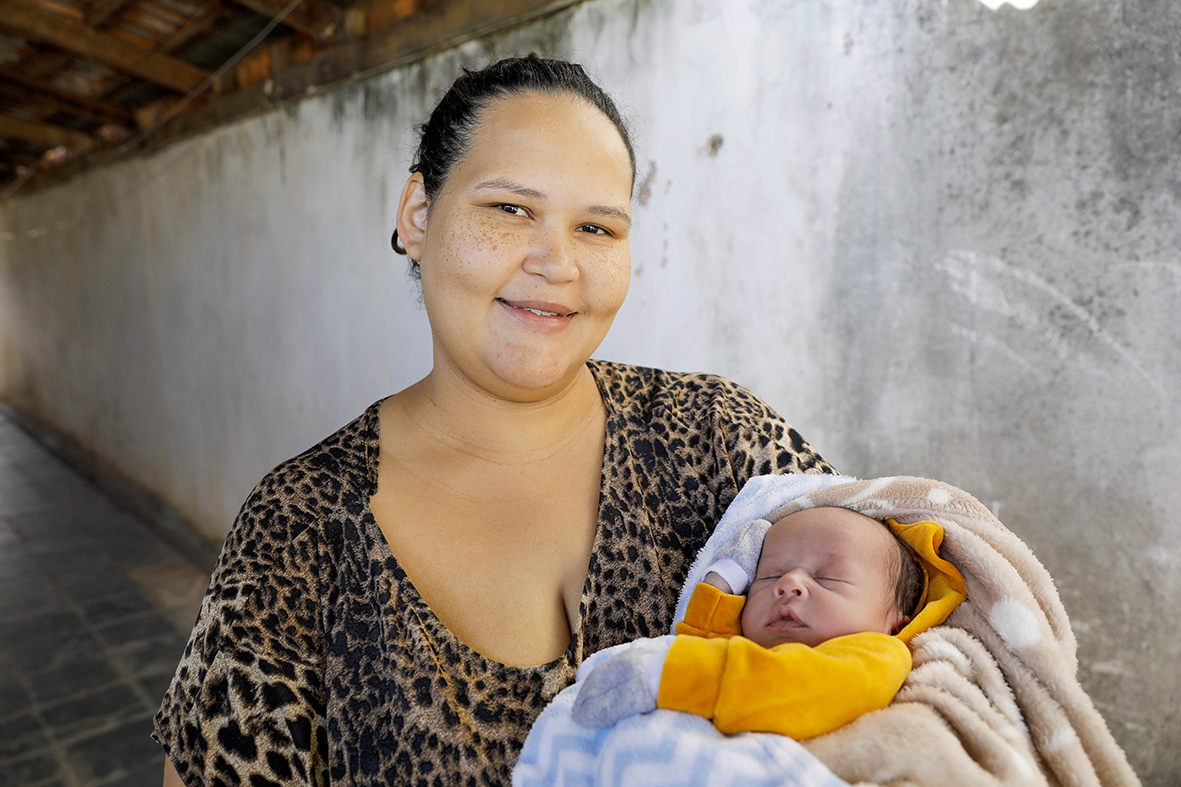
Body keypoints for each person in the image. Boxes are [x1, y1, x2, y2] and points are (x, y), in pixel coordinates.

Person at [153, 54, 835, 786]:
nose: (557, 261)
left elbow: (921, 657)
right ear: (418, 215)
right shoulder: (299, 528)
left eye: (598, 228)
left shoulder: (720, 440)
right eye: (510, 209)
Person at [571, 506, 966, 739]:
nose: (790, 583)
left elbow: (804, 685)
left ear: (894, 622)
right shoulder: (739, 651)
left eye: (827, 577)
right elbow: (701, 644)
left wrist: (670, 678)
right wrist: (724, 580)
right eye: (769, 574)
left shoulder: (878, 654)